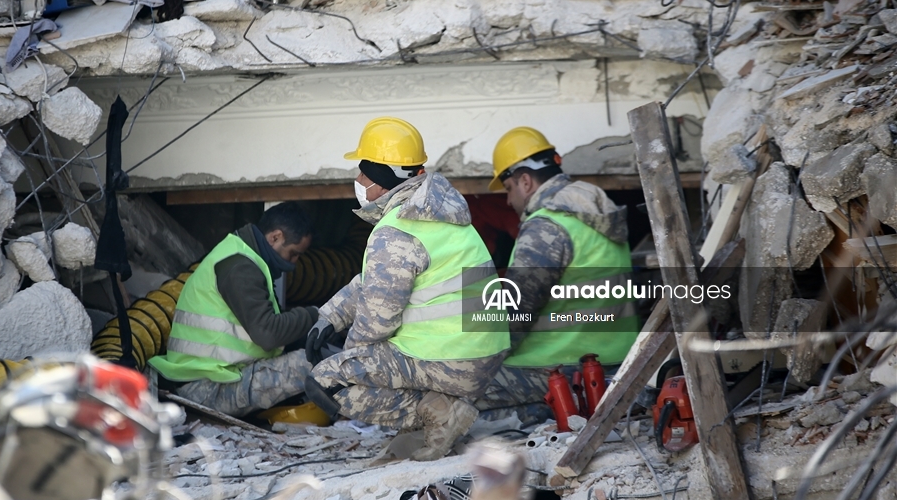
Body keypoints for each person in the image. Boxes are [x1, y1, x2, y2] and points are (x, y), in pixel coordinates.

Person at [305, 117, 510, 460]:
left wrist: (348, 357)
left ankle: (440, 414)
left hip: (449, 359)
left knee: (327, 379)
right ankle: (426, 422)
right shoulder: (439, 212)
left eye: (364, 172)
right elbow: (376, 284)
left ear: (383, 179)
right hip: (480, 351)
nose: (358, 180)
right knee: (366, 363)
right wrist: (330, 316)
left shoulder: (397, 230)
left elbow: (377, 321)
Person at [474, 127, 637, 417]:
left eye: (508, 189)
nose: (509, 201)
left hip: (556, 368)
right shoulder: (600, 216)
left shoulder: (546, 227)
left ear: (525, 181)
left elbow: (514, 316)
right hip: (617, 364)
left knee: (453, 388)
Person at [149, 202, 318, 416]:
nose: (294, 263)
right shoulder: (240, 266)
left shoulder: (243, 256)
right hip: (204, 389)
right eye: (294, 254)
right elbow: (267, 333)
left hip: (217, 377)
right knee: (311, 363)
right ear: (275, 237)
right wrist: (314, 315)